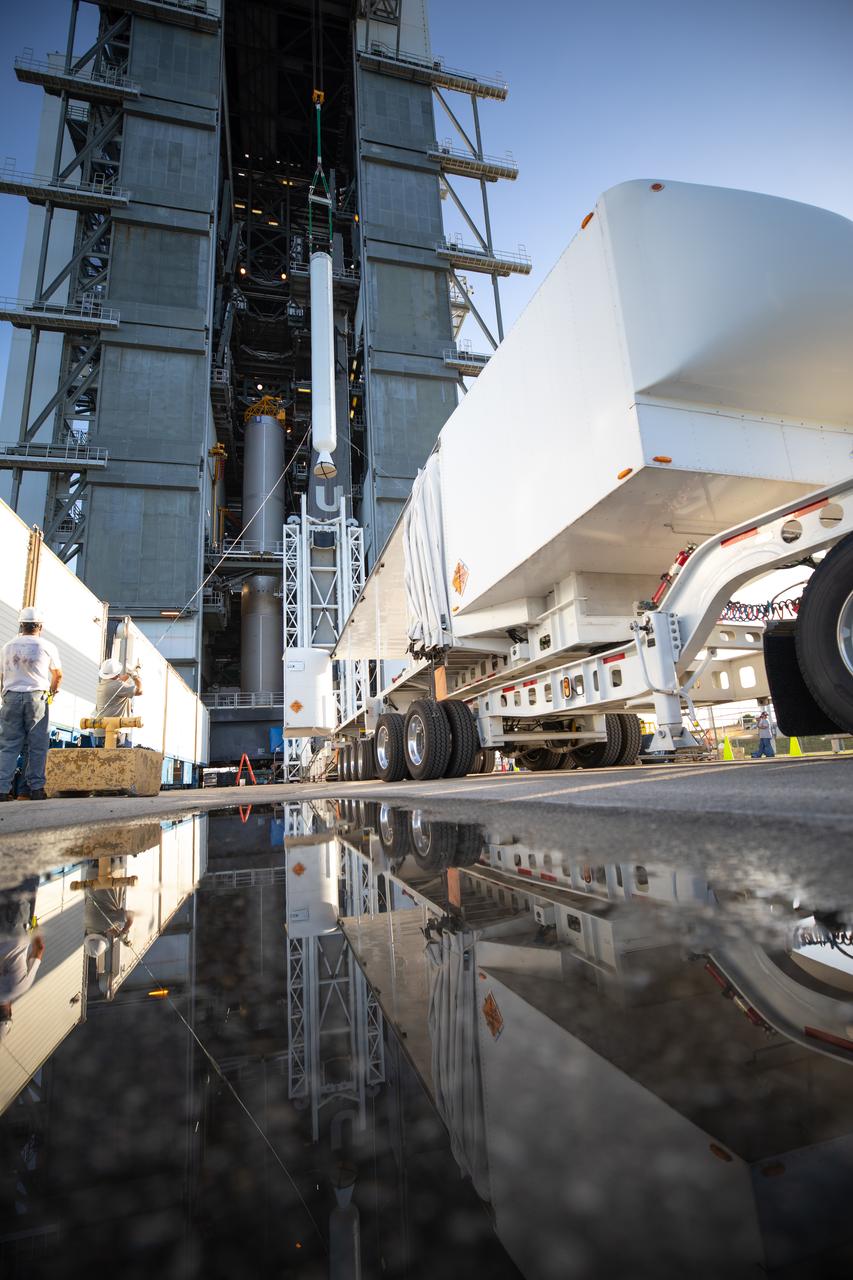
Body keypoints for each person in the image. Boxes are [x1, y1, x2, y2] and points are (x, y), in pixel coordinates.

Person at [0, 607, 62, 802]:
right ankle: (35, 790)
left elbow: (1, 675)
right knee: (37, 745)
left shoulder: (8, 646)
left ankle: (2, 790)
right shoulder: (47, 646)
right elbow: (58, 675)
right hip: (37, 697)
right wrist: (52, 691)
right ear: (40, 627)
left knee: (8, 746)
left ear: (21, 625)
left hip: (10, 696)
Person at [93, 658, 143, 745]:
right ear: (116, 673)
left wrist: (129, 673)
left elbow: (120, 680)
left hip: (100, 730)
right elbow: (140, 691)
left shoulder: (103, 683)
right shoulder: (117, 686)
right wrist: (136, 677)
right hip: (113, 732)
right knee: (114, 757)